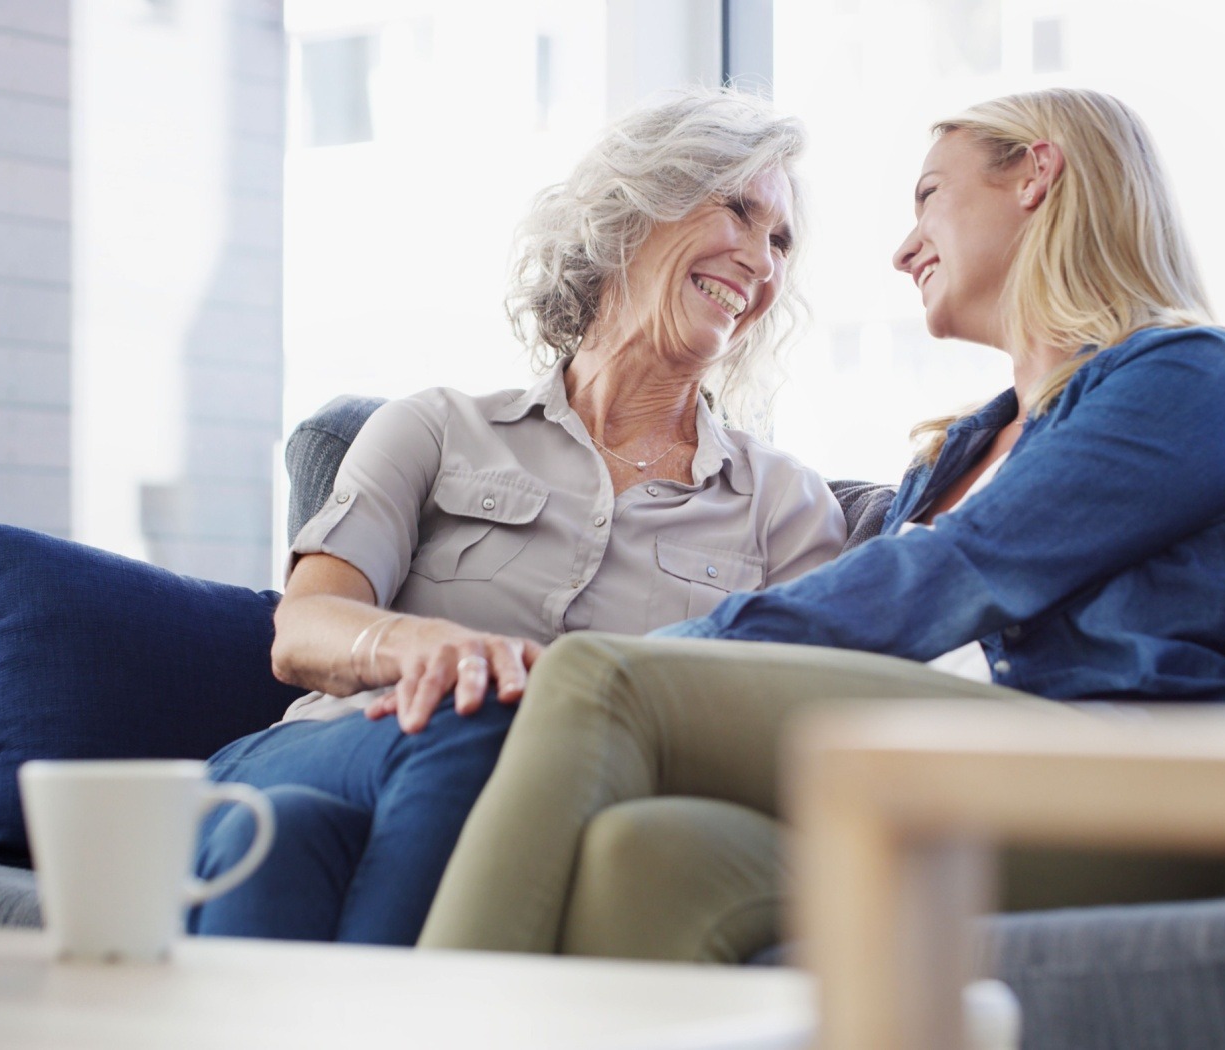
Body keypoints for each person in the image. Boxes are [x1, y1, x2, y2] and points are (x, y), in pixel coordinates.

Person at [416, 88, 1225, 961]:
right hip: (941, 782)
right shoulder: (955, 455)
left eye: (928, 197)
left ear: (1035, 173)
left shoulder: (1190, 377)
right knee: (646, 856)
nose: (904, 249)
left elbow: (949, 578)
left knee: (601, 682)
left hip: (1133, 799)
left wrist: (664, 660)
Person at [187, 88, 847, 945]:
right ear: (633, 208)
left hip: (516, 815)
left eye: (781, 240)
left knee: (285, 844)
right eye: (739, 209)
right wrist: (428, 648)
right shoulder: (434, 427)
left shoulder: (787, 509)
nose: (762, 259)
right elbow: (302, 629)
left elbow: (789, 737)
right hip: (330, 747)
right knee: (477, 714)